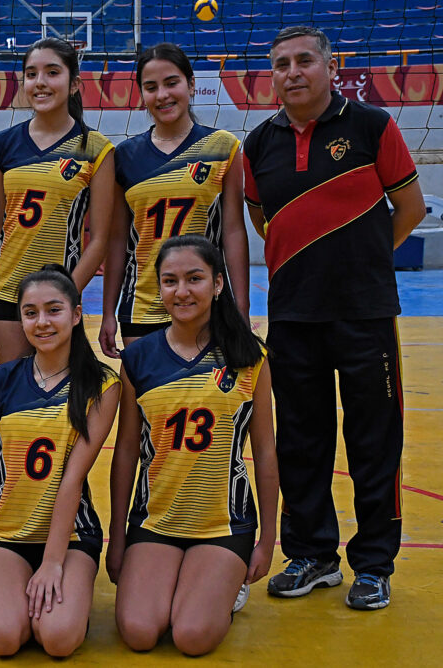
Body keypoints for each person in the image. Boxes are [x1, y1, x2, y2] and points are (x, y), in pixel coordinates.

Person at [243, 26, 426, 610]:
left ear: (330, 65)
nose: (291, 72)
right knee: (301, 440)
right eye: (280, 65)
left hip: (365, 315)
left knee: (375, 441)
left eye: (303, 61)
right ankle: (313, 555)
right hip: (293, 316)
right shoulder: (257, 144)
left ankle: (373, 564)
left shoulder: (372, 127)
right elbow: (259, 215)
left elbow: (412, 208)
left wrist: (361, 263)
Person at [108, 235, 278, 655]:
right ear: (159, 288)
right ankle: (186, 585)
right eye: (170, 281)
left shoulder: (248, 357)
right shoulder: (138, 359)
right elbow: (127, 450)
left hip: (223, 525)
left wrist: (268, 539)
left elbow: (267, 452)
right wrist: (117, 537)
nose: (181, 291)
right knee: (139, 632)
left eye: (194, 279)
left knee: (191, 637)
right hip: (155, 523)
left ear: (218, 284)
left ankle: (221, 589)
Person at [0, 264, 120, 657]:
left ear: (77, 314)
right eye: (30, 313)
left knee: (59, 639)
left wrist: (52, 563)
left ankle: (59, 602)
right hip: (3, 533)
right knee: (3, 639)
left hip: (70, 536)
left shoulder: (102, 385)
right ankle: (20, 598)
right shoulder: (0, 382)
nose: (42, 322)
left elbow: (71, 479)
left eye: (54, 310)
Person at [100, 42, 249, 359]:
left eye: (172, 83)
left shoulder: (223, 147)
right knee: (144, 404)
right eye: (151, 87)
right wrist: (107, 313)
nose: (162, 95)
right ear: (142, 94)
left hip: (207, 305)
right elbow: (116, 240)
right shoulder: (124, 156)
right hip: (142, 306)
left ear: (191, 85)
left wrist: (242, 307)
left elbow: (234, 231)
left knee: (200, 403)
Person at [0, 38, 115, 363]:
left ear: (74, 84)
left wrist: (65, 293)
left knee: (60, 398)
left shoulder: (96, 149)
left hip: (62, 291)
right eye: (31, 74)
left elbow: (99, 239)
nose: (40, 82)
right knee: (16, 394)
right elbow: (5, 224)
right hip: (7, 291)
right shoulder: (3, 145)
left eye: (52, 72)